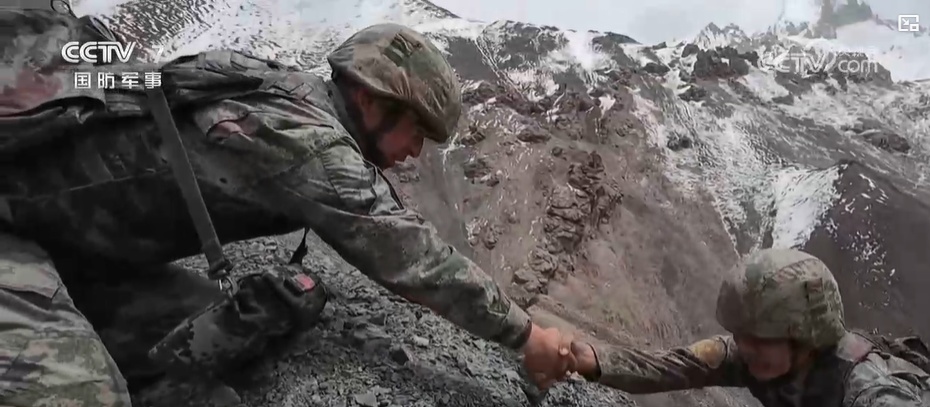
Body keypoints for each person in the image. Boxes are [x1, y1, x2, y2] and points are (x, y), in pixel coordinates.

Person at [0, 9, 575, 406]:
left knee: (223, 325)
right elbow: (412, 254)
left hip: (71, 241)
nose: (415, 152)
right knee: (82, 392)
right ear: (372, 101)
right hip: (15, 231)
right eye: (417, 131)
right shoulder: (309, 144)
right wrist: (528, 336)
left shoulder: (282, 90)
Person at [562, 248, 930, 406]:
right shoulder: (754, 357)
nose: (743, 347)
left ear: (804, 338)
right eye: (741, 336)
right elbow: (673, 367)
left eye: (759, 338)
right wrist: (593, 359)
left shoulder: (870, 391)